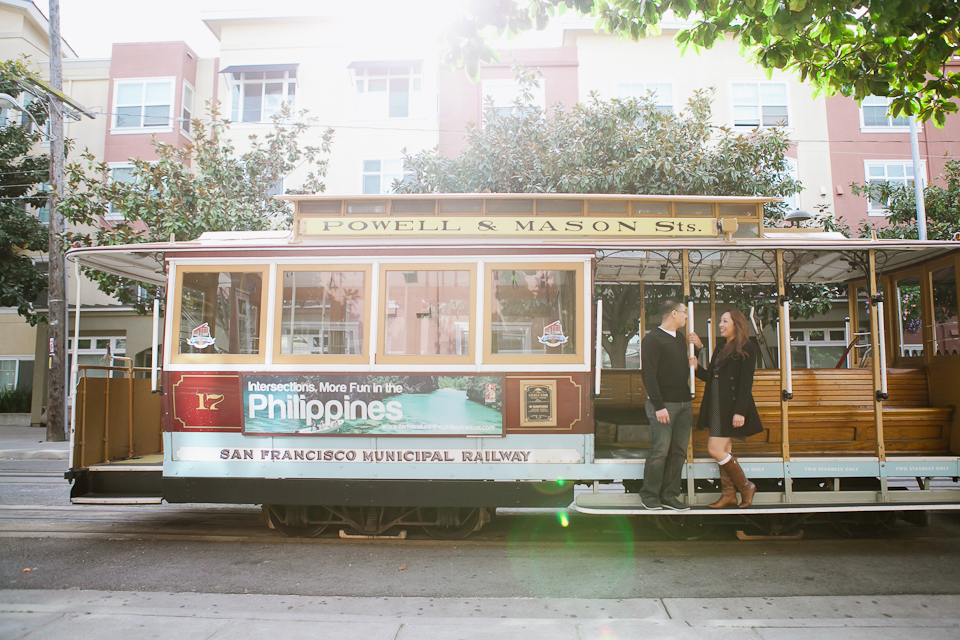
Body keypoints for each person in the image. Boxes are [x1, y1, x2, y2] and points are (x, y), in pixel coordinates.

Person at [687, 309, 762, 508]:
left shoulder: (748, 348)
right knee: (725, 449)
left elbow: (746, 383)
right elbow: (711, 377)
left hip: (730, 407)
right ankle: (729, 494)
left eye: (724, 321)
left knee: (714, 449)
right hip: (716, 405)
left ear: (736, 324)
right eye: (720, 321)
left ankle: (746, 486)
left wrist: (740, 411)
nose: (720, 324)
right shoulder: (720, 347)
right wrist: (697, 369)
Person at [639, 299, 694, 511]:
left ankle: (669, 495)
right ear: (673, 313)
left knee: (679, 451)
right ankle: (649, 495)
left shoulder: (680, 339)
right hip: (663, 405)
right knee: (660, 450)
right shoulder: (652, 340)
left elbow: (679, 368)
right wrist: (658, 405)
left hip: (684, 404)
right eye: (684, 313)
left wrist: (697, 348)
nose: (686, 317)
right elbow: (648, 375)